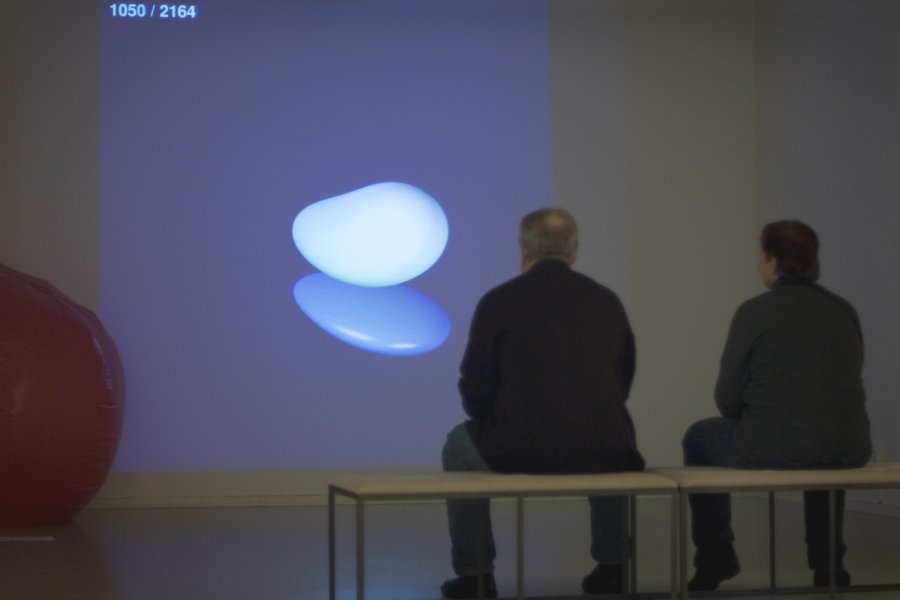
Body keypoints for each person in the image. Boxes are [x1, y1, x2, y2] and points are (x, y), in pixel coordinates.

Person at [440, 208, 645, 599]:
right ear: (574, 251)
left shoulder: (498, 301)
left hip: (518, 446)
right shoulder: (606, 301)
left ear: (523, 251)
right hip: (600, 446)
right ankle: (614, 567)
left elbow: (474, 384)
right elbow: (622, 378)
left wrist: (493, 422)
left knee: (457, 447)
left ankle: (476, 575)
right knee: (610, 440)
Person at [683, 220, 872, 591]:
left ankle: (715, 560)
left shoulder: (754, 312)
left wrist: (762, 418)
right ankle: (829, 565)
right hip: (850, 446)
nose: (758, 264)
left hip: (772, 444)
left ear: (772, 261)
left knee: (698, 437)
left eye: (761, 256)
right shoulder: (843, 310)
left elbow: (727, 398)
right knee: (822, 439)